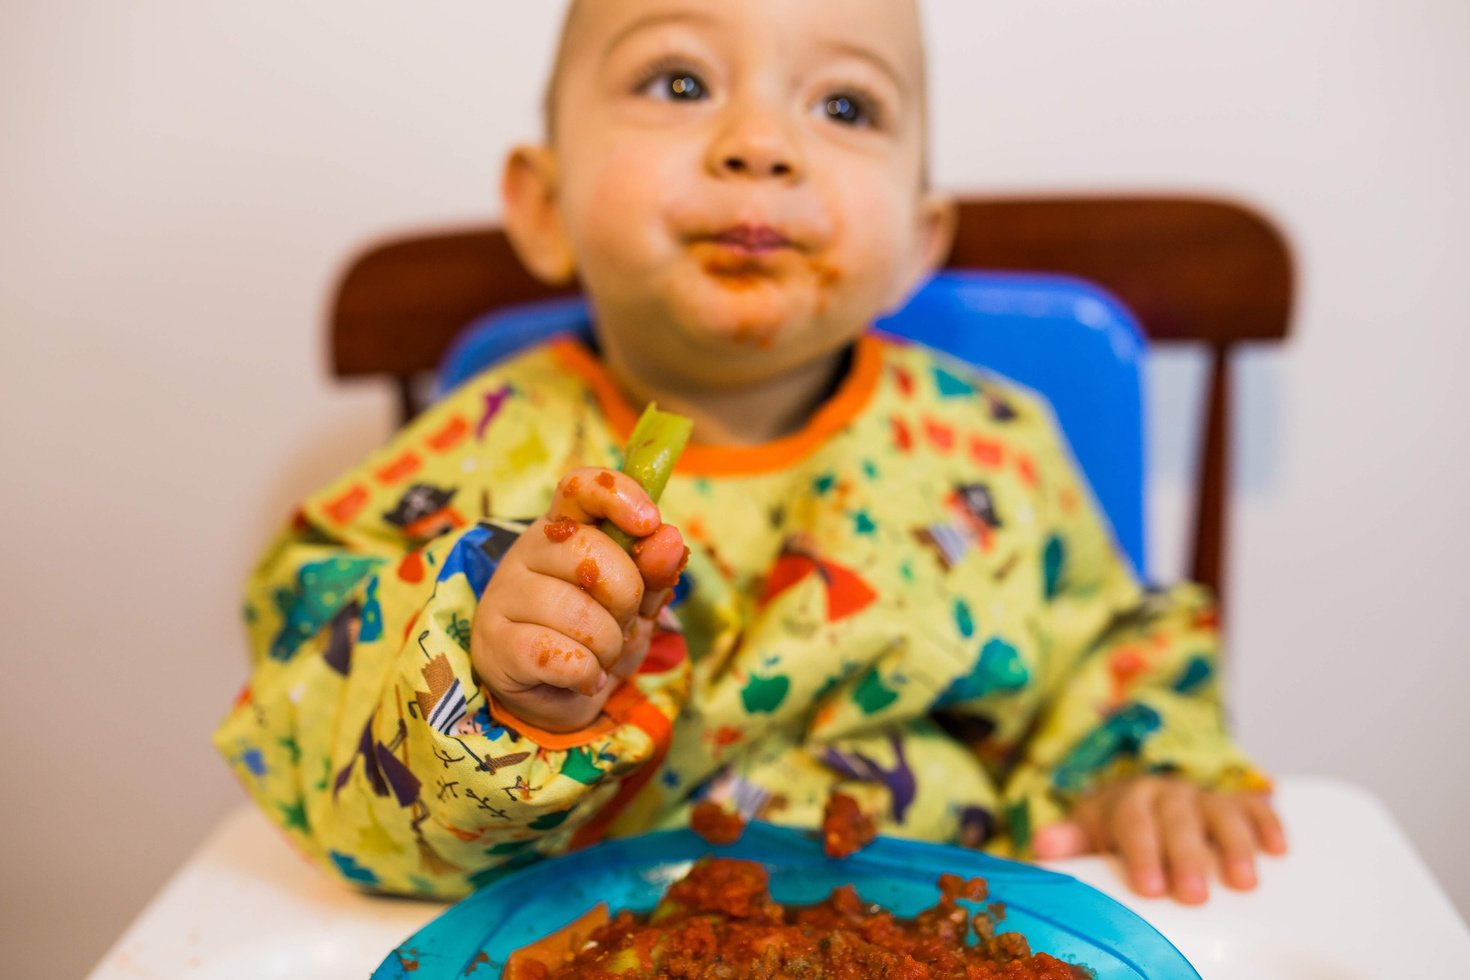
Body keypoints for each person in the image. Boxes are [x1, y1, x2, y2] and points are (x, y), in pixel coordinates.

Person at [215, 0, 1286, 906]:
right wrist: (484, 678)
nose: (761, 143)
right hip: (583, 940)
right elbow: (309, 686)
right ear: (543, 208)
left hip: (935, 938)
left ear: (917, 241)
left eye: (844, 106)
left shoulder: (993, 451)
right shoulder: (465, 455)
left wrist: (1146, 774)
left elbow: (1110, 650)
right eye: (679, 84)